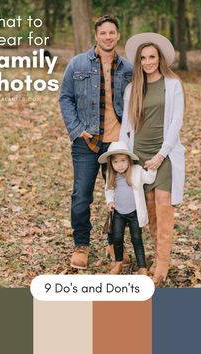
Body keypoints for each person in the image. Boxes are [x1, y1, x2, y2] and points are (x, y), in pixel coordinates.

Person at [59, 15, 132, 269]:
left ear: (118, 35)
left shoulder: (128, 68)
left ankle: (115, 241)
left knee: (121, 195)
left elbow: (137, 102)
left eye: (112, 32)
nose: (108, 37)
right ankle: (82, 244)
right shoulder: (77, 64)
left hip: (117, 145)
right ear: (96, 36)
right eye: (104, 33)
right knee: (81, 195)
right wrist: (77, 129)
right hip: (87, 143)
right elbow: (65, 98)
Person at [120, 33, 185, 286]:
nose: (148, 62)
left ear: (159, 59)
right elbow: (127, 125)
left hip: (165, 154)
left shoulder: (173, 84)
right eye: (144, 58)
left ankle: (162, 264)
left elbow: (176, 122)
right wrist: (127, 159)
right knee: (150, 210)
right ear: (139, 61)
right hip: (140, 156)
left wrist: (161, 154)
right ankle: (158, 256)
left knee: (164, 205)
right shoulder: (132, 89)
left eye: (152, 57)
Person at [98, 141, 156, 275]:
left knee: (137, 238)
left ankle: (142, 267)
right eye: (116, 162)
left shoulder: (137, 171)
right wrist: (110, 201)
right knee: (117, 238)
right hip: (119, 212)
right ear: (111, 163)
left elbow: (149, 179)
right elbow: (109, 190)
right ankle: (118, 263)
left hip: (134, 212)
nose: (120, 165)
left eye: (123, 160)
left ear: (129, 159)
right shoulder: (111, 175)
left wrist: (152, 167)